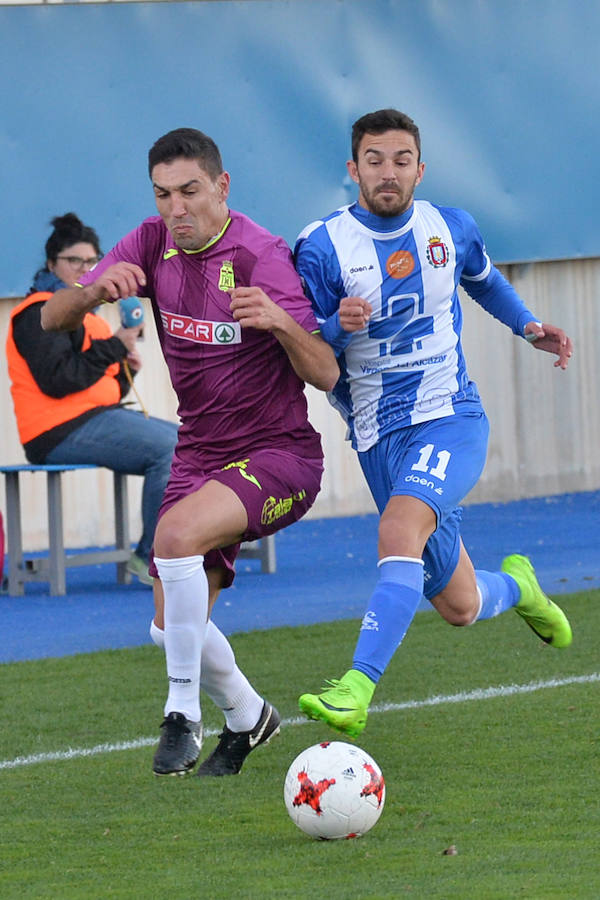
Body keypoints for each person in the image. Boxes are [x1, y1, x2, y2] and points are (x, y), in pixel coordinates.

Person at [41, 129, 339, 777]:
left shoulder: (262, 255)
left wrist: (284, 322)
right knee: (168, 625)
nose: (176, 208)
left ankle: (182, 714)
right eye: (163, 194)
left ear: (222, 186)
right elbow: (49, 319)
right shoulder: (150, 243)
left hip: (279, 455)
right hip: (201, 456)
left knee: (173, 537)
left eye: (190, 191)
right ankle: (249, 713)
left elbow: (326, 374)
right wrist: (95, 293)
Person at [294, 108, 573, 739]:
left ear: (420, 168)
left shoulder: (451, 227)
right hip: (375, 435)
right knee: (459, 604)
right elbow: (303, 346)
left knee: (399, 527)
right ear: (352, 169)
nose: (387, 173)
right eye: (374, 160)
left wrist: (528, 325)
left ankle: (355, 687)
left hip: (450, 417)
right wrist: (338, 326)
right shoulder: (320, 247)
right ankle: (522, 589)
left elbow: (484, 280)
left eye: (400, 161)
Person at [6, 213, 178, 586]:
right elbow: (58, 381)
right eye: (74, 261)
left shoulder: (91, 315)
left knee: (193, 443)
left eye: (92, 261)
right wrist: (114, 347)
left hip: (90, 419)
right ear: (52, 264)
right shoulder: (39, 311)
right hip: (56, 430)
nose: (84, 268)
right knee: (174, 448)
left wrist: (123, 369)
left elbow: (98, 388)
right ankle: (153, 560)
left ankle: (183, 551)